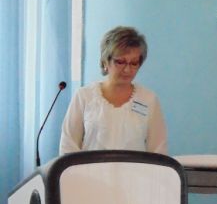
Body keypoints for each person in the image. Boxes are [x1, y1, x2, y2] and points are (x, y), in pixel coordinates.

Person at [59, 26, 168, 155]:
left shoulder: (149, 99)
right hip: (89, 168)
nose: (127, 70)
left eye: (134, 63)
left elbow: (158, 151)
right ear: (105, 61)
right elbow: (68, 146)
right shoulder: (84, 96)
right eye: (120, 62)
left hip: (135, 168)